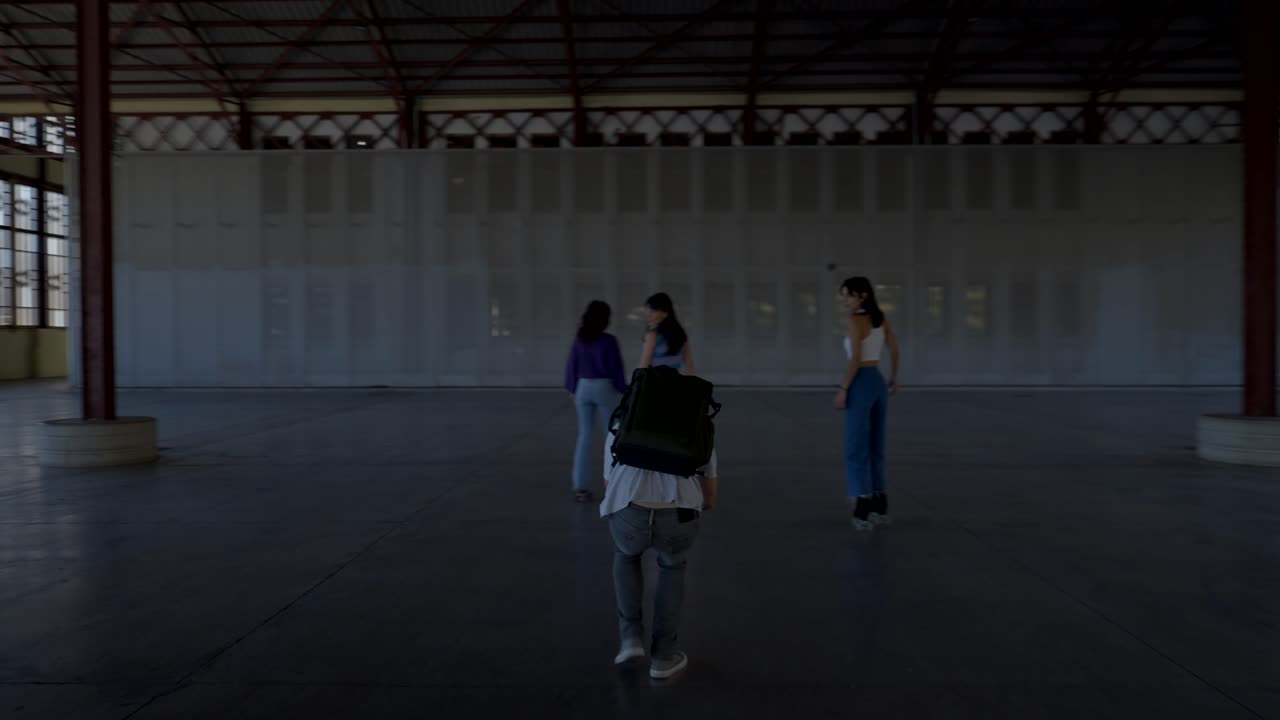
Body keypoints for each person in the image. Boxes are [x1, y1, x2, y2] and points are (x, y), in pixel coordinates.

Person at [601, 422, 719, 681]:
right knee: (672, 566)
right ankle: (664, 657)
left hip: (630, 510)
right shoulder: (698, 425)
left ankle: (630, 636)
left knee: (626, 555)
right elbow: (710, 497)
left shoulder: (623, 420)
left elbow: (609, 483)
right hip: (678, 512)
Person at [832, 277, 900, 530]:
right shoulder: (880, 319)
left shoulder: (856, 320)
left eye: (847, 295)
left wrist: (843, 389)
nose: (844, 301)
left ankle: (861, 504)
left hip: (860, 382)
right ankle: (878, 505)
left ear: (861, 295)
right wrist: (894, 377)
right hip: (878, 381)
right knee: (875, 446)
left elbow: (855, 360)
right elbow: (894, 350)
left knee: (854, 447)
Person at [564, 301, 628, 503]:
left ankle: (580, 488)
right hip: (603, 388)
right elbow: (616, 370)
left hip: (582, 387)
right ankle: (616, 486)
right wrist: (625, 391)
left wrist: (573, 389)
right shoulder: (609, 341)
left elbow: (571, 365)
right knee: (612, 437)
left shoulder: (580, 339)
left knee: (584, 436)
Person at [639, 293, 695, 375]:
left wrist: (636, 385)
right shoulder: (680, 334)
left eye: (653, 311)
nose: (648, 314)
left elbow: (644, 365)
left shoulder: (652, 335)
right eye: (647, 310)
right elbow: (689, 366)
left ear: (665, 313)